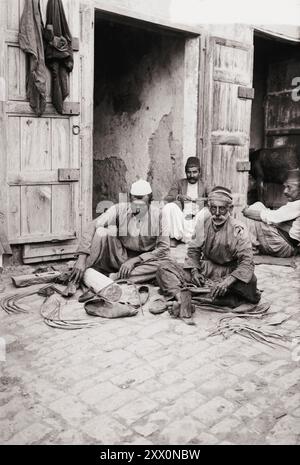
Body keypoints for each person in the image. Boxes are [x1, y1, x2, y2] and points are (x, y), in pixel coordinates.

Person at [157, 186, 261, 311]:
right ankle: (182, 298)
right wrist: (195, 271)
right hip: (206, 269)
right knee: (164, 268)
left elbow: (247, 262)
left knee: (250, 283)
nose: (217, 213)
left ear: (230, 209)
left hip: (229, 273)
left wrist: (227, 282)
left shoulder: (238, 229)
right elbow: (194, 250)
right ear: (209, 208)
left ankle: (198, 296)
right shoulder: (204, 223)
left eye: (222, 209)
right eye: (213, 208)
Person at [70, 180, 170, 284]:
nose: (137, 201)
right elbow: (93, 225)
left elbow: (163, 249)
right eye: (134, 197)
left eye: (141, 198)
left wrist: (135, 260)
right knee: (101, 231)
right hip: (120, 257)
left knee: (165, 264)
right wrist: (81, 258)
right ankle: (82, 270)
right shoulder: (119, 209)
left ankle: (114, 277)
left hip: (143, 261)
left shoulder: (159, 215)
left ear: (149, 198)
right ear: (130, 197)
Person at [243, 169, 300, 257]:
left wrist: (246, 212)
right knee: (258, 206)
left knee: (255, 211)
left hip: (283, 246)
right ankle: (252, 246)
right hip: (286, 245)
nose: (285, 191)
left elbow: (271, 217)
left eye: (289, 187)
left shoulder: (298, 205)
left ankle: (250, 248)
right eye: (285, 187)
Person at [163, 156, 209, 246]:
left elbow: (213, 198)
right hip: (182, 215)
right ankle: (175, 237)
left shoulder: (205, 184)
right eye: (189, 172)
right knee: (169, 207)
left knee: (208, 211)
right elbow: (168, 198)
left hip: (198, 215)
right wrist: (179, 197)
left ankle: (198, 239)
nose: (191, 175)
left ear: (199, 172)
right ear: (185, 172)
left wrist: (203, 200)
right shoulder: (179, 183)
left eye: (194, 172)